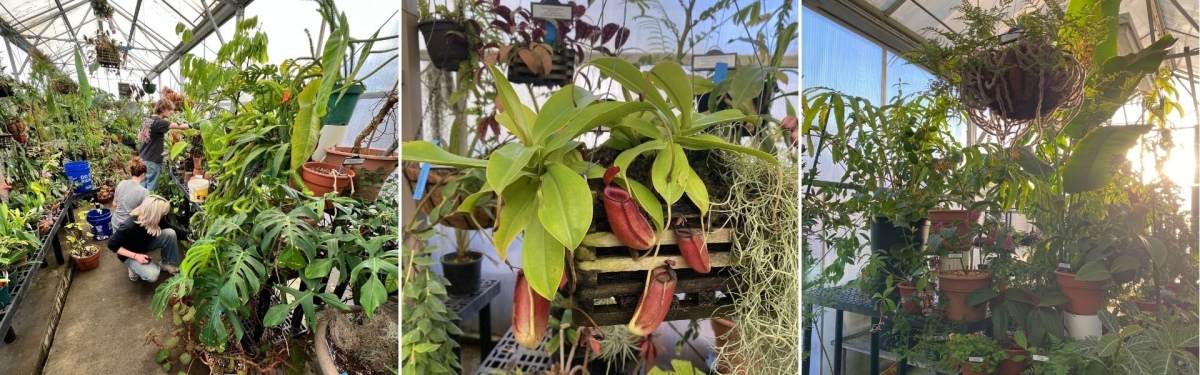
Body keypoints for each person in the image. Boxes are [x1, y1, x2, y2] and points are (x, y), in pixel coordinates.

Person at [108, 195, 180, 282]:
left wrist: (189, 234)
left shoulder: (156, 219)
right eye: (162, 214)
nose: (164, 215)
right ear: (155, 214)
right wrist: (136, 256)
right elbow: (112, 245)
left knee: (170, 233)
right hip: (131, 253)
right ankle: (133, 268)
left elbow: (170, 228)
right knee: (152, 275)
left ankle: (166, 263)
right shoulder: (129, 226)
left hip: (144, 245)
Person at [138, 98, 190, 191]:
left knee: (142, 187)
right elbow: (181, 127)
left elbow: (139, 137)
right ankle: (148, 205)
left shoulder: (146, 120)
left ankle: (141, 204)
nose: (170, 112)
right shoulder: (159, 122)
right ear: (162, 109)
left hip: (142, 159)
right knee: (150, 190)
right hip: (152, 161)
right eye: (169, 109)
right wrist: (194, 125)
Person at [112, 157, 150, 232]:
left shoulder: (121, 183)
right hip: (129, 228)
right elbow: (146, 214)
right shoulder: (144, 192)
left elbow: (114, 203)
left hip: (115, 225)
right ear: (143, 174)